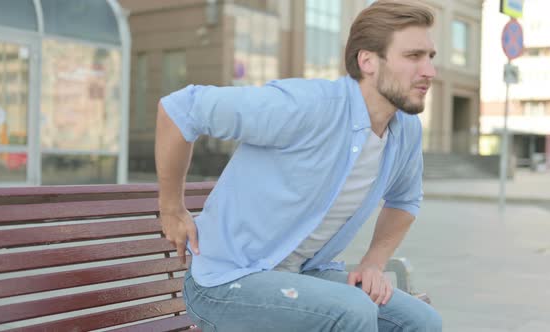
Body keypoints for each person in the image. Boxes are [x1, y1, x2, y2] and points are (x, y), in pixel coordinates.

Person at [155, 0, 442, 330]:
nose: (429, 71)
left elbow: (404, 200)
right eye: (413, 56)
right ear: (367, 61)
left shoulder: (405, 130)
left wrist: (374, 263)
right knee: (353, 311)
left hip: (305, 276)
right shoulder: (305, 105)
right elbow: (180, 110)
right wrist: (171, 209)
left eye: (430, 57)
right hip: (224, 282)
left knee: (421, 322)